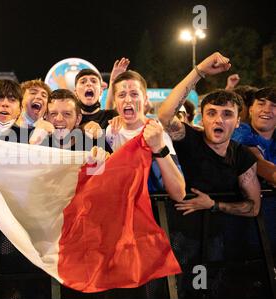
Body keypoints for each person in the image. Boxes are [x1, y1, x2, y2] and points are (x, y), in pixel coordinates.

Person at [157, 52, 261, 217]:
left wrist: (213, 205)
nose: (219, 120)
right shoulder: (188, 138)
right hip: (178, 233)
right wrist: (199, 71)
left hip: (222, 237)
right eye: (211, 113)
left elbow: (253, 207)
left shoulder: (243, 156)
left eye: (227, 114)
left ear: (238, 122)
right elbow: (165, 115)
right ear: (202, 118)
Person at [105, 70, 186, 202]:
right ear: (115, 101)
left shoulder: (157, 132)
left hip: (149, 212)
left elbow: (179, 193)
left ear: (145, 99)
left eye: (134, 94)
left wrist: (159, 147)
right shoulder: (111, 131)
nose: (128, 100)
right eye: (122, 95)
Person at [232, 87, 276, 186]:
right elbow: (256, 162)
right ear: (251, 110)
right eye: (261, 104)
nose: (267, 110)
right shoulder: (240, 130)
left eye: (274, 105)